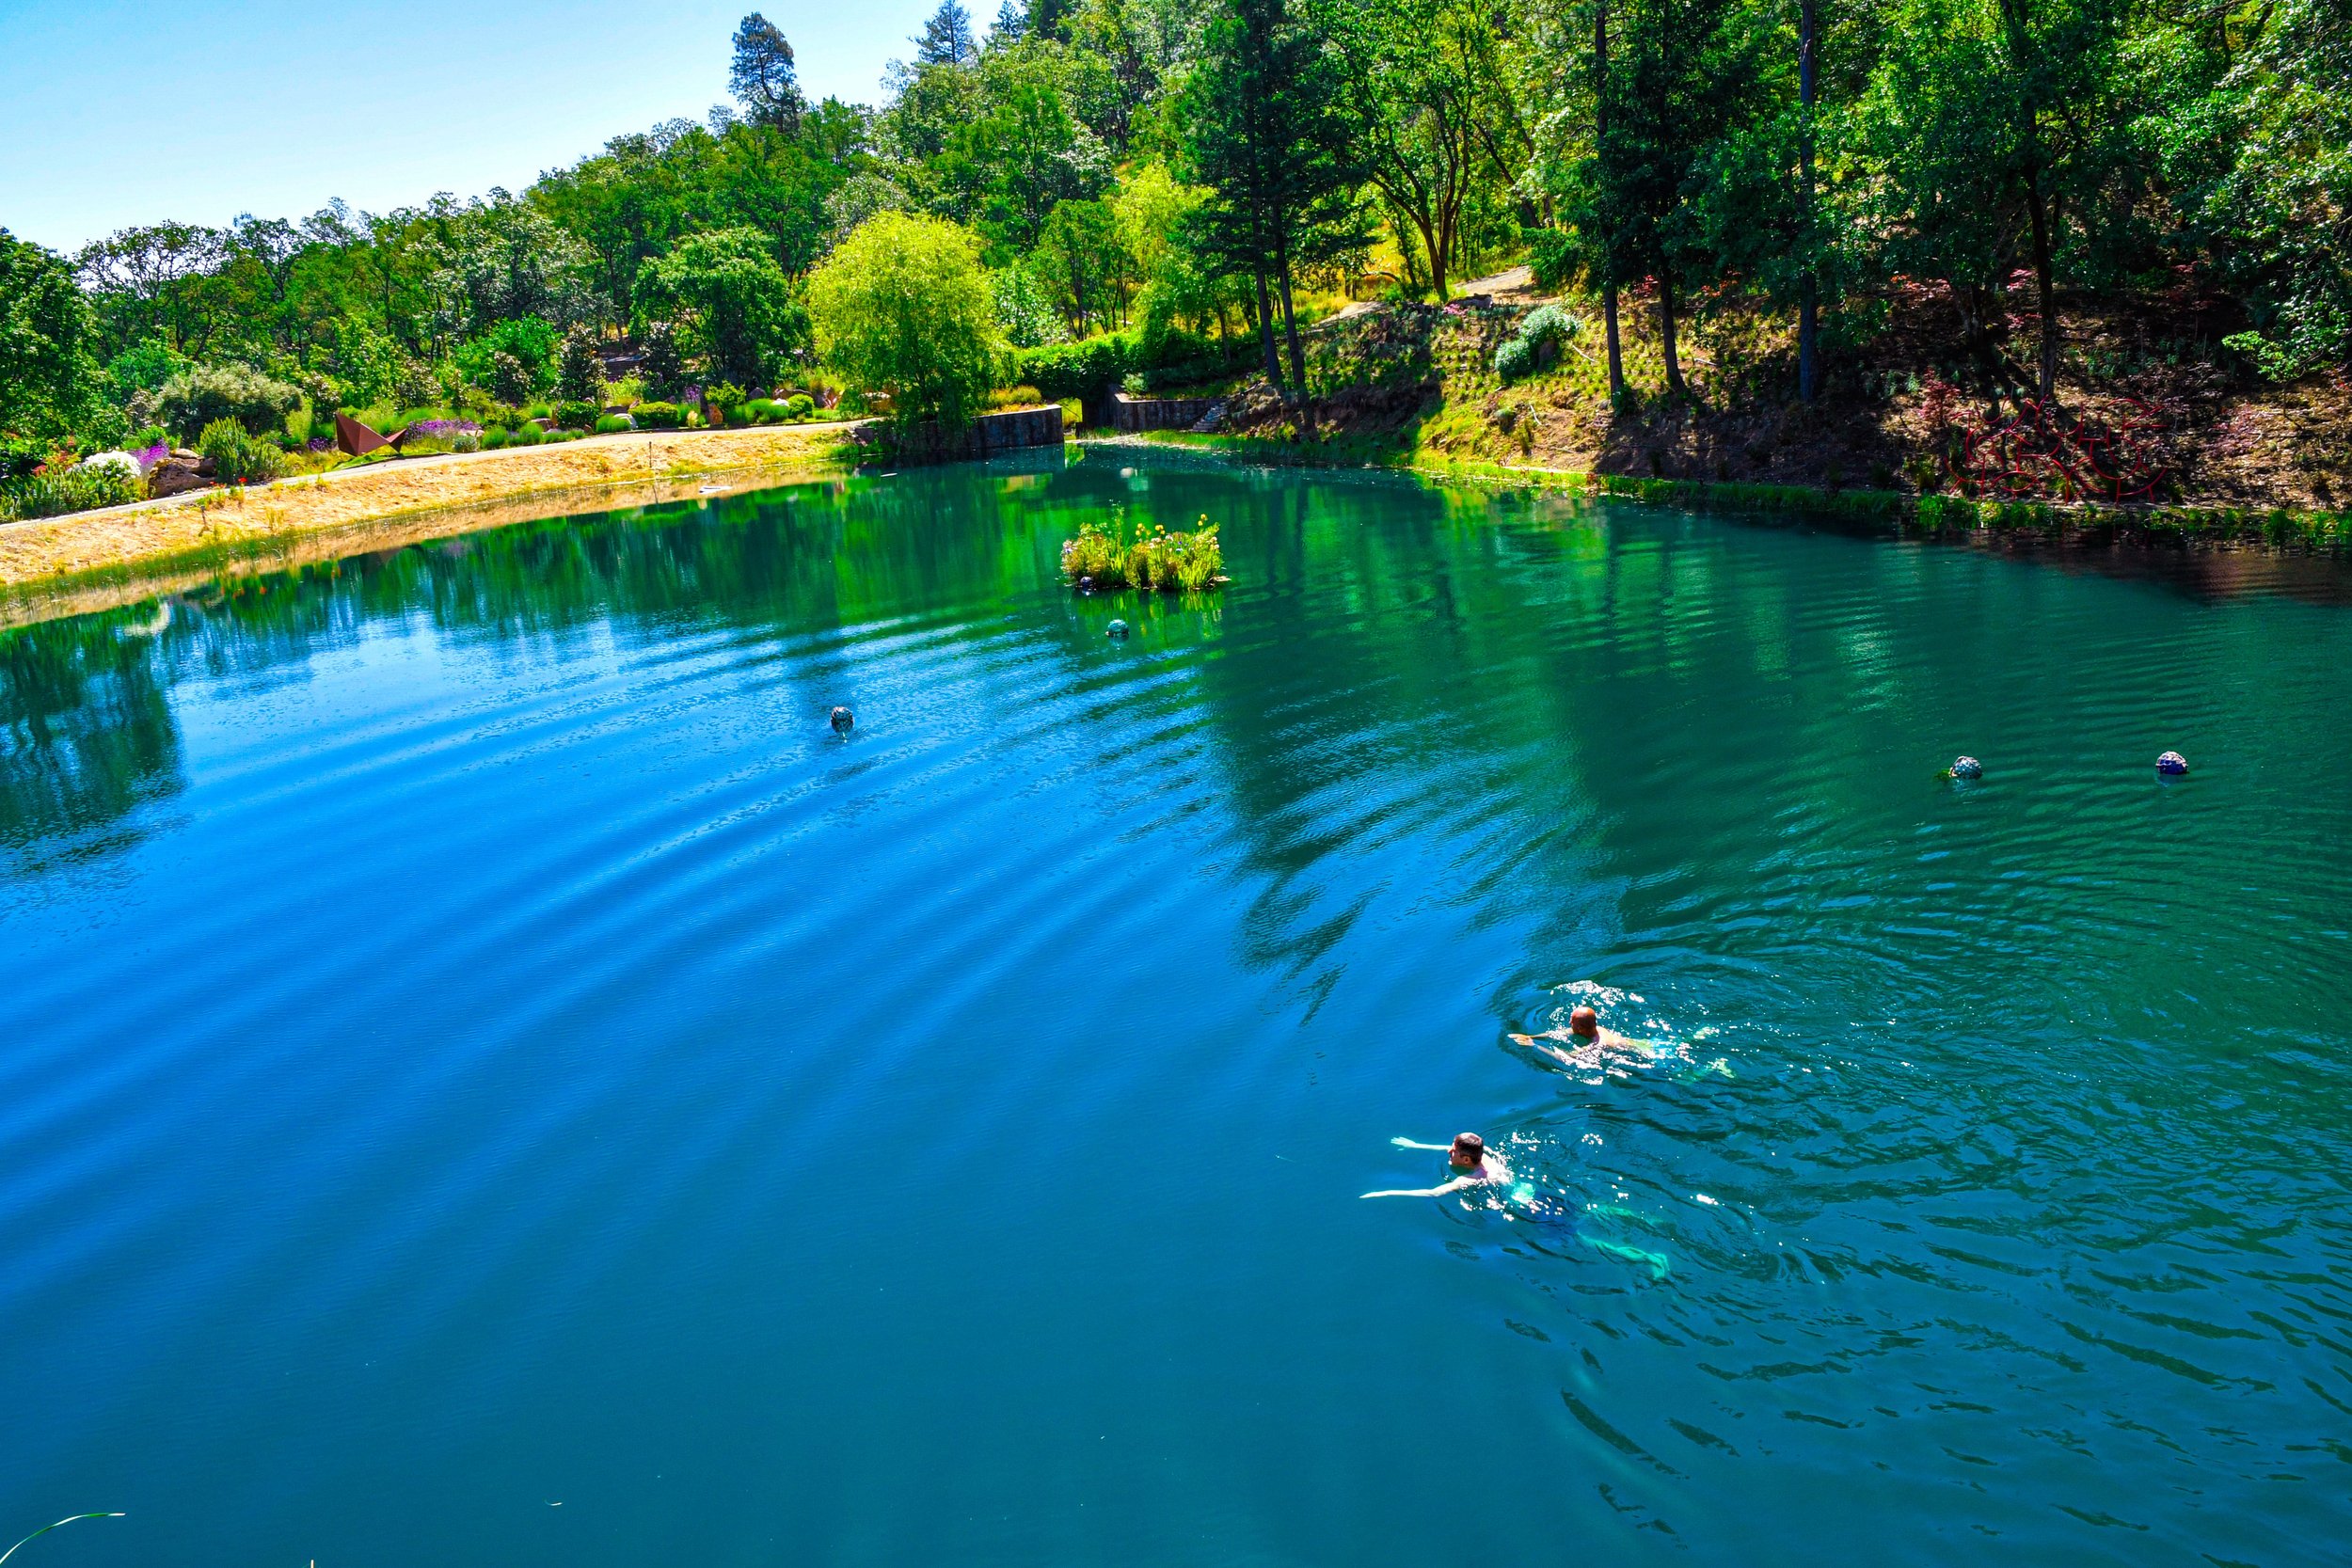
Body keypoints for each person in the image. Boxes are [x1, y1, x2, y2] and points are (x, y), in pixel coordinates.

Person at [1361, 1132, 1513, 1198]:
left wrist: (1387, 1193)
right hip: (1521, 1187)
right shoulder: (1482, 1153)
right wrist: (1416, 1145)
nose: (1448, 1150)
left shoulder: (1469, 1179)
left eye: (1453, 1151)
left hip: (1516, 1199)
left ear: (1466, 1160)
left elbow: (1434, 1193)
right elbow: (1444, 1147)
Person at [1511, 1005, 1648, 1070]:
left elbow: (1565, 1059)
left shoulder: (1598, 1044)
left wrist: (1534, 1045)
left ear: (1581, 1028)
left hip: (1644, 1054)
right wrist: (1531, 1036)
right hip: (1644, 1044)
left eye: (1572, 1021)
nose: (1569, 1023)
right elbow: (1560, 1033)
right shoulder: (1597, 1028)